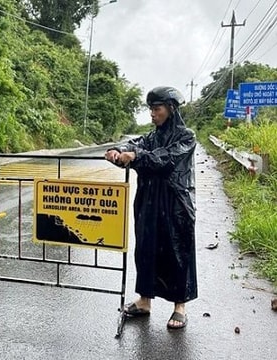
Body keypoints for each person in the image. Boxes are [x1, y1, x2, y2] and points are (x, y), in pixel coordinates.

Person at [104, 86, 197, 329]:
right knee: (145, 249)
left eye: (157, 109)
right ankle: (144, 301)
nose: (153, 114)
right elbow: (134, 144)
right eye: (151, 110)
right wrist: (119, 151)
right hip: (148, 200)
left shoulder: (186, 136)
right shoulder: (151, 136)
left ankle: (180, 306)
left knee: (177, 251)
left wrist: (135, 157)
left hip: (176, 202)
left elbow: (165, 159)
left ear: (171, 109)